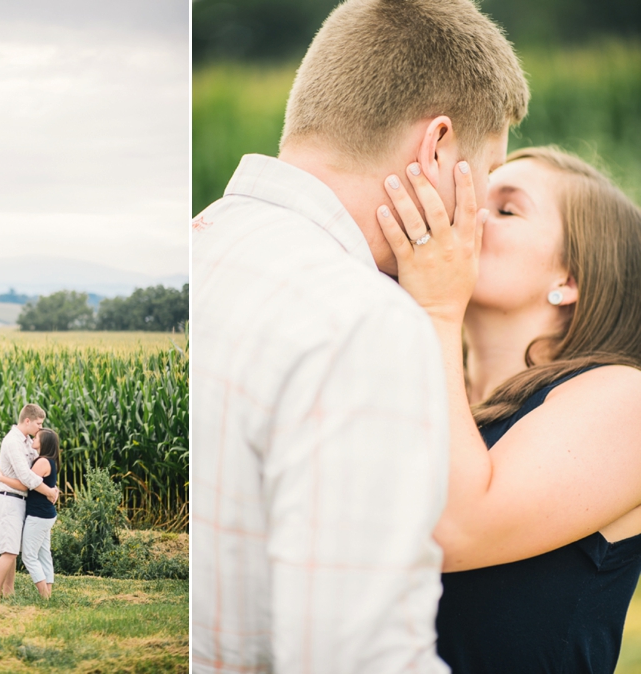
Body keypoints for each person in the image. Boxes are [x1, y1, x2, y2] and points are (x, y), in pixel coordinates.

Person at [191, 0, 528, 671]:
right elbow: (355, 656)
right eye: (485, 176)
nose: (481, 222)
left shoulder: (201, 247)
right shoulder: (362, 323)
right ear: (435, 149)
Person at [375, 146, 641, 673]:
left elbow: (452, 528)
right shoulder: (416, 383)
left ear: (568, 279)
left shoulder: (625, 400)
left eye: (506, 209)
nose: (467, 213)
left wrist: (436, 307)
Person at [0, 403, 57, 602]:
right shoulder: (12, 442)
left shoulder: (27, 442)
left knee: (13, 550)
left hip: (22, 502)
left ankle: (8, 592)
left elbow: (41, 470)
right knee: (9, 551)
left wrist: (54, 489)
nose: (40, 428)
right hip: (9, 499)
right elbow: (26, 477)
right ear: (27, 421)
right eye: (38, 423)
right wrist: (49, 492)